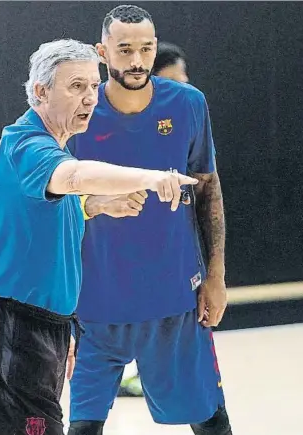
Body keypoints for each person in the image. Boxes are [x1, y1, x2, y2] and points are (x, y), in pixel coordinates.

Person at [0, 38, 199, 435]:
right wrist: (155, 177)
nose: (90, 97)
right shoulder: (27, 145)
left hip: (42, 324)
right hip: (12, 325)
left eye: (93, 86)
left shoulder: (47, 151)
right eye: (76, 87)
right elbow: (72, 176)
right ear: (41, 92)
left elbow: (44, 214)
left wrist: (94, 206)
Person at [68, 5, 232, 435]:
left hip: (173, 299)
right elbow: (55, 202)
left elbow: (207, 190)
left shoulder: (188, 103)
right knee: (82, 427)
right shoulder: (79, 113)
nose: (137, 60)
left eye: (146, 48)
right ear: (102, 52)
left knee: (210, 421)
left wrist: (215, 276)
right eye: (125, 50)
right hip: (97, 305)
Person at [118, 39, 191, 398]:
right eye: (173, 81)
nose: (184, 87)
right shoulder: (125, 125)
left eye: (185, 78)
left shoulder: (188, 121)